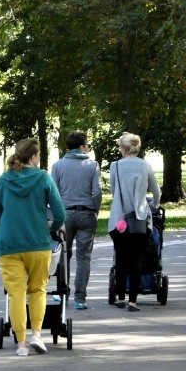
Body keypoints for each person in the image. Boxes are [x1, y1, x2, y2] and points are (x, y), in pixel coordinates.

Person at [0, 138, 66, 356]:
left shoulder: (4, 181)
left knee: (16, 294)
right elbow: (59, 214)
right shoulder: (43, 178)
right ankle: (37, 335)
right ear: (33, 157)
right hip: (37, 243)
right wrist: (54, 229)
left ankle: (21, 343)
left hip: (9, 245)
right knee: (37, 289)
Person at [108, 132, 161, 312]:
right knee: (136, 260)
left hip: (119, 220)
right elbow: (156, 191)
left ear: (123, 148)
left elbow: (114, 191)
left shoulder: (114, 166)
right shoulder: (145, 165)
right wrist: (155, 204)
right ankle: (133, 302)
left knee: (121, 259)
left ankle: (120, 297)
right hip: (139, 219)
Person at [50, 131, 102, 310]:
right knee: (84, 257)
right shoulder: (92, 165)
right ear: (81, 146)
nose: (88, 147)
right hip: (87, 213)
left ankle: (61, 292)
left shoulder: (57, 166)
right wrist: (95, 209)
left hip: (64, 214)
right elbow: (97, 191)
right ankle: (80, 298)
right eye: (87, 144)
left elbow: (53, 193)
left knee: (63, 254)